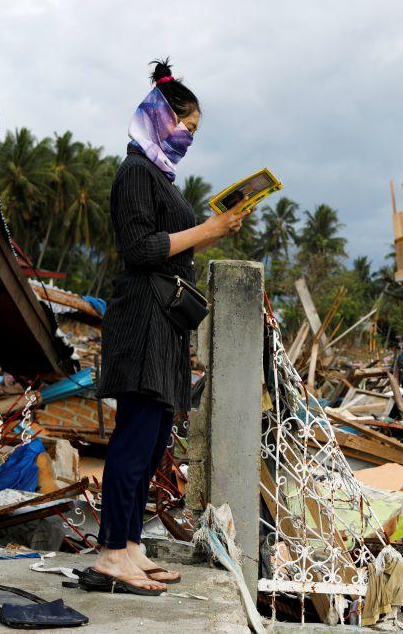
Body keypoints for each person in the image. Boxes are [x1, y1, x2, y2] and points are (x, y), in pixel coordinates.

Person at [87, 59, 246, 595]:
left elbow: (171, 244)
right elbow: (138, 249)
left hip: (166, 322)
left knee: (153, 440)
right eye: (186, 128)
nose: (189, 140)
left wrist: (215, 231)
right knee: (135, 438)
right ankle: (111, 553)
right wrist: (207, 226)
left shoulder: (159, 176)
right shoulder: (134, 172)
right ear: (160, 116)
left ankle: (129, 545)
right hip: (142, 319)